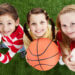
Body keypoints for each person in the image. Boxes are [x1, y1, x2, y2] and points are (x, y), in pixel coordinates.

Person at [56, 5, 75, 71]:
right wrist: (66, 61)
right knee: (62, 59)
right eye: (64, 25)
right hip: (67, 52)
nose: (68, 30)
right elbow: (65, 54)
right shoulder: (60, 35)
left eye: (73, 23)